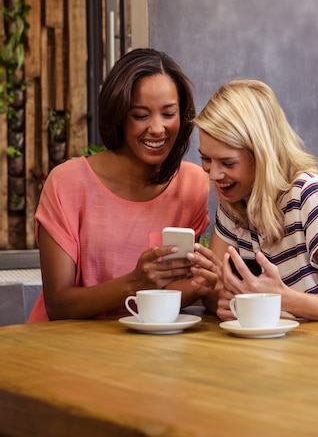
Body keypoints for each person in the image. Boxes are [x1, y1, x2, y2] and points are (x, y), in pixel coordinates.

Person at [29, 48, 212, 323]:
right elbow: (58, 303)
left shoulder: (192, 184)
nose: (157, 128)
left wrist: (200, 286)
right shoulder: (67, 182)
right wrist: (133, 283)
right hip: (66, 347)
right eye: (140, 115)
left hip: (147, 346)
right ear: (118, 115)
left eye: (168, 113)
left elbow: (168, 290)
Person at [187, 79, 318, 326]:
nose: (214, 174)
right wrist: (222, 301)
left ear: (261, 155)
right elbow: (220, 292)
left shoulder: (311, 196)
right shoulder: (232, 205)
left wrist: (281, 298)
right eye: (206, 159)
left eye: (228, 163)